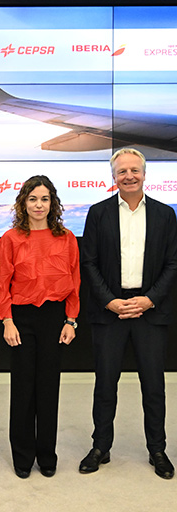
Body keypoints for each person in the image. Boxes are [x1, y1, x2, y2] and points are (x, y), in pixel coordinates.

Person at [80, 148, 177, 479]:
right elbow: (88, 262)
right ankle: (100, 447)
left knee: (153, 385)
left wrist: (149, 299)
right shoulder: (98, 213)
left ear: (145, 174)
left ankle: (158, 450)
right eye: (122, 171)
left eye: (135, 170)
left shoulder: (166, 215)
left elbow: (172, 263)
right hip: (111, 311)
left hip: (150, 311)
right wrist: (109, 301)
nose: (129, 176)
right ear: (114, 177)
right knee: (106, 383)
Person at [0, 175, 80, 478]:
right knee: (23, 388)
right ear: (23, 203)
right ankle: (23, 455)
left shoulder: (66, 238)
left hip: (55, 319)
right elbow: (0, 283)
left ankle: (47, 454)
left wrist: (71, 319)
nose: (39, 205)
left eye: (44, 199)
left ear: (52, 202)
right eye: (32, 199)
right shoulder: (11, 238)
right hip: (21, 319)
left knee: (48, 388)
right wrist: (7, 321)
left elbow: (74, 282)